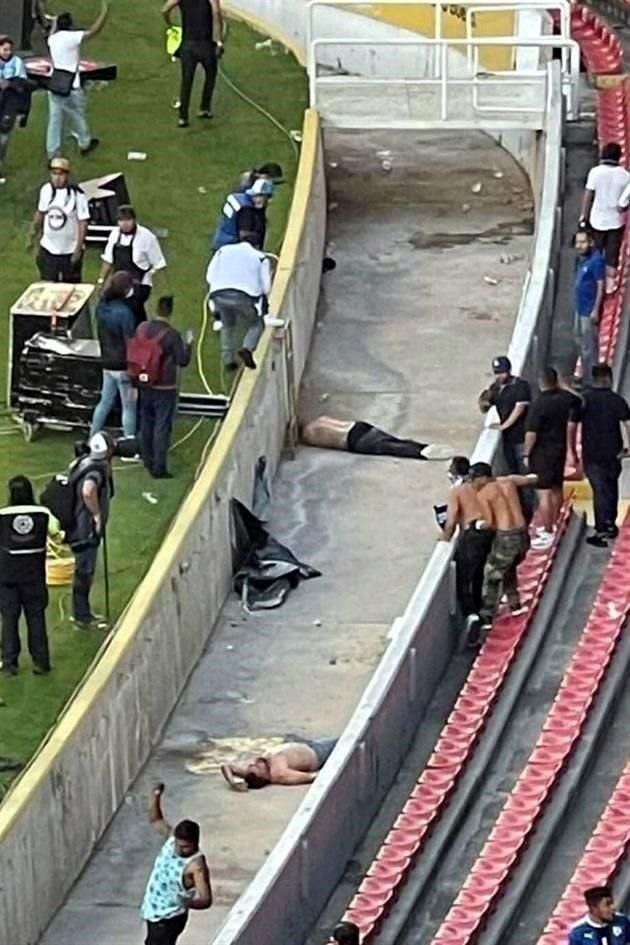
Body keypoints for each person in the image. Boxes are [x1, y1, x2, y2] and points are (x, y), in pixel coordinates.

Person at [0, 476, 58, 676]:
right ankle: (41, 662)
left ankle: (9, 663)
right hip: (34, 577)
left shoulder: (2, 515)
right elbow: (56, 532)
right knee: (36, 618)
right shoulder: (43, 513)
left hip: (7, 578)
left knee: (9, 620)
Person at [142, 782, 212, 945]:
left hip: (169, 919)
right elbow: (156, 819)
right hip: (153, 911)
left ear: (196, 842)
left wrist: (187, 902)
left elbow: (206, 899)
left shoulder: (196, 866)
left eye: (186, 847)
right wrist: (156, 795)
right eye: (179, 845)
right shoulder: (172, 839)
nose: (181, 850)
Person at [470, 462, 535, 628]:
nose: (473, 482)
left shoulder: (484, 494)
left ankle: (487, 614)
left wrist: (478, 525)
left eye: (475, 479)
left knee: (492, 574)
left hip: (507, 537)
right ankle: (515, 604)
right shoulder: (509, 481)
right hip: (523, 534)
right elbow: (530, 480)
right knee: (509, 567)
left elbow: (491, 522)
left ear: (483, 478)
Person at [438, 456, 494, 646]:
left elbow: (452, 520)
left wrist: (444, 539)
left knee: (465, 580)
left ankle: (472, 616)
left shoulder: (458, 491)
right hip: (488, 534)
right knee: (478, 576)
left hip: (471, 536)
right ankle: (481, 611)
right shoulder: (482, 487)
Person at [136, 296, 192, 479]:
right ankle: (159, 467)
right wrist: (189, 345)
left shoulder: (142, 329)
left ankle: (146, 458)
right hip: (164, 386)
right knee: (162, 425)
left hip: (143, 382)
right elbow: (182, 360)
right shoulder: (171, 335)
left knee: (146, 421)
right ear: (170, 312)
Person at [524, 368, 581, 550]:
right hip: (559, 449)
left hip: (542, 453)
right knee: (557, 488)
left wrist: (526, 453)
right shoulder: (564, 398)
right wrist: (565, 386)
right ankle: (554, 523)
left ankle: (548, 530)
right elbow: (579, 400)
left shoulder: (538, 405)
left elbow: (531, 433)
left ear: (541, 383)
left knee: (544, 492)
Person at [46, 3, 108, 160]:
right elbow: (93, 32)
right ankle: (85, 143)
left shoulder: (52, 39)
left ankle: (53, 152)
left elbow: (53, 31)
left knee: (54, 119)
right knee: (77, 114)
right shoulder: (72, 38)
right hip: (72, 85)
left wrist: (54, 22)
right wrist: (104, 14)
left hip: (55, 84)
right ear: (70, 24)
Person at [67, 432, 114, 631]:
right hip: (85, 529)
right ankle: (82, 616)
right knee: (84, 571)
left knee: (84, 570)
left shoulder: (82, 462)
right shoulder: (94, 471)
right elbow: (88, 490)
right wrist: (96, 514)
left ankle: (82, 613)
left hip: (78, 526)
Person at [580, 363, 630, 547]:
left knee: (600, 490)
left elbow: (572, 425)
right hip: (613, 452)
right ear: (609, 378)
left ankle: (602, 527)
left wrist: (571, 450)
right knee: (610, 487)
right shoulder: (616, 400)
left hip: (592, 453)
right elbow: (627, 424)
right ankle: (610, 522)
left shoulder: (585, 400)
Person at [207, 234, 272, 369]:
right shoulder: (260, 257)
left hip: (218, 294)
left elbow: (209, 276)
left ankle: (228, 360)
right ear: (257, 246)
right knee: (256, 323)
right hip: (243, 296)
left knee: (227, 324)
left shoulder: (222, 250)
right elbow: (266, 288)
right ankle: (247, 347)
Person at [97, 205, 169, 327]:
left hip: (139, 284)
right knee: (105, 304)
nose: (124, 224)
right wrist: (100, 281)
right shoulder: (114, 235)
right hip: (118, 282)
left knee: (132, 309)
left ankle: (139, 331)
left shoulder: (147, 237)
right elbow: (108, 260)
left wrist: (165, 290)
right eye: (121, 220)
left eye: (128, 220)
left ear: (135, 220)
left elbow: (160, 263)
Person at [162, 0, 223, 128]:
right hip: (206, 44)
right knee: (211, 75)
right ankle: (204, 108)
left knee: (187, 80)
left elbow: (165, 9)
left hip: (188, 44)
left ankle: (183, 117)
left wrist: (169, 23)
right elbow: (216, 12)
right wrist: (218, 41)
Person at [91, 271, 138, 440]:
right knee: (129, 406)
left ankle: (92, 436)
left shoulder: (101, 308)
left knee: (104, 402)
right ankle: (129, 443)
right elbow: (130, 342)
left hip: (107, 363)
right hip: (123, 366)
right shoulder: (125, 313)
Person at [29, 156, 90, 282]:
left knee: (71, 286)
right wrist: (32, 234)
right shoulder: (46, 190)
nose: (57, 178)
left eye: (60, 174)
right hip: (49, 247)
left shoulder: (77, 195)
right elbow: (40, 213)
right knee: (47, 284)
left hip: (69, 249)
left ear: (67, 175)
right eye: (54, 174)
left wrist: (78, 249)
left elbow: (82, 222)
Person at [580, 143, 630, 294]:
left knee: (595, 251)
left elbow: (588, 196)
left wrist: (583, 216)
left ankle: (594, 280)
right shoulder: (625, 176)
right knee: (612, 253)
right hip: (616, 221)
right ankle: (609, 286)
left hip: (597, 220)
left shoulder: (595, 173)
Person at [301, 416, 451, 460]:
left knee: (391, 448)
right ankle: (421, 446)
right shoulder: (319, 420)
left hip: (353, 441)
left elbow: (316, 439)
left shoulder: (309, 435)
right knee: (394, 440)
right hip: (357, 426)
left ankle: (420, 452)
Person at [220, 738, 338, 791]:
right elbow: (310, 777)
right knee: (348, 740)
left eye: (252, 765)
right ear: (264, 776)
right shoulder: (279, 773)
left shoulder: (257, 768)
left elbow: (227, 766)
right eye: (256, 767)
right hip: (319, 754)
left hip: (309, 744)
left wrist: (233, 782)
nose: (254, 762)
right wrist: (319, 775)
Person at [574, 227, 605, 387]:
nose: (580, 245)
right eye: (578, 242)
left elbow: (600, 285)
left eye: (583, 242)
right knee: (580, 342)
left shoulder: (596, 261)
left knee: (589, 348)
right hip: (579, 308)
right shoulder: (581, 259)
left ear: (591, 242)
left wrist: (595, 309)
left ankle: (590, 382)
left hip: (588, 310)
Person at [212, 178, 274, 252]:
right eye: (257, 195)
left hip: (221, 241)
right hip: (231, 246)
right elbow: (244, 236)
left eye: (263, 196)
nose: (259, 200)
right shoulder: (246, 209)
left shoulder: (241, 198)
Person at [0, 35, 29, 184]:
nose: (7, 52)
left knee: (4, 135)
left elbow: (22, 82)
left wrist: (10, 84)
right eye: (4, 49)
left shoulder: (17, 62)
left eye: (9, 49)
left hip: (10, 102)